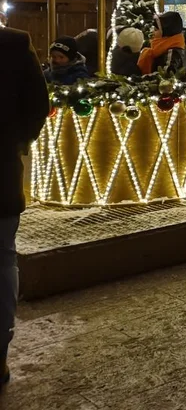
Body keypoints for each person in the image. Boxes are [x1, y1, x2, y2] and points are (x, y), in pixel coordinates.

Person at [0, 26, 50, 387]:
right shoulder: (13, 43)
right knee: (2, 259)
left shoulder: (14, 42)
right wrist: (14, 143)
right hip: (0, 172)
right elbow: (36, 106)